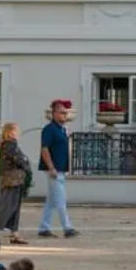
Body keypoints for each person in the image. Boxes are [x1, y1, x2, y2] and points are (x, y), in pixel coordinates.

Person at [35, 101, 78, 238]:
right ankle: (67, 228)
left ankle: (44, 227)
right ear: (54, 113)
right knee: (60, 199)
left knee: (52, 201)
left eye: (66, 113)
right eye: (62, 112)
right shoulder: (49, 129)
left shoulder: (62, 129)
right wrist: (51, 167)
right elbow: (45, 149)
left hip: (60, 168)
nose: (64, 115)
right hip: (54, 169)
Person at [0, 121, 31, 245]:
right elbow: (18, 160)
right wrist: (26, 163)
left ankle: (14, 234)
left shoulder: (9, 145)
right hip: (11, 180)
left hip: (14, 180)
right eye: (15, 131)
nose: (17, 133)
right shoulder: (9, 145)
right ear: (10, 132)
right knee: (7, 206)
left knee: (14, 207)